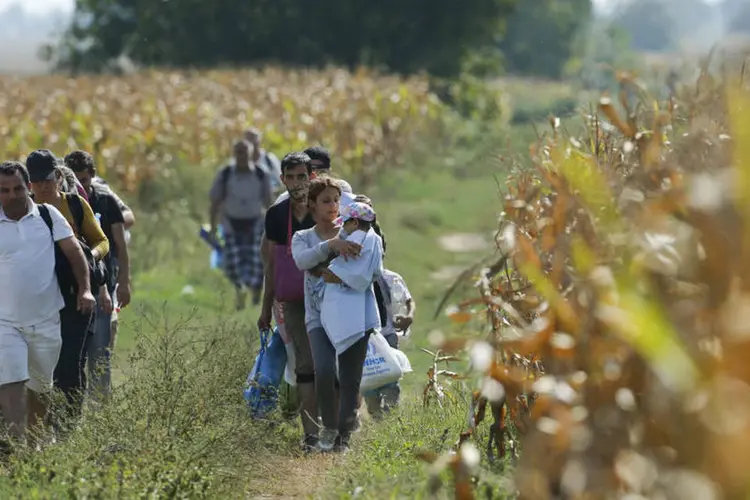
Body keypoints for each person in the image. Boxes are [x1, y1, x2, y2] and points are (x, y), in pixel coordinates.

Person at [0, 160, 95, 443]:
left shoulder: (48, 215)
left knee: (40, 389)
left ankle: (36, 443)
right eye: (4, 190)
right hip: (5, 323)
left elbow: (75, 253)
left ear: (28, 188)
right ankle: (18, 454)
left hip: (46, 319)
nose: (12, 195)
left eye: (18, 188)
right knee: (12, 383)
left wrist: (85, 289)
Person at [27, 149, 109, 419]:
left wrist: (90, 256)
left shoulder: (74, 204)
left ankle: (69, 425)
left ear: (58, 176)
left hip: (75, 294)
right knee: (39, 365)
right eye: (36, 181)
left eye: (48, 179)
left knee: (71, 364)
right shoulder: (23, 209)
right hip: (40, 297)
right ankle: (43, 422)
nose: (43, 186)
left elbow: (102, 241)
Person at [291, 178, 364, 452]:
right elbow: (302, 261)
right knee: (322, 369)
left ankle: (342, 438)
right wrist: (330, 246)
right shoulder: (303, 237)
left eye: (336, 200)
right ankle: (329, 427)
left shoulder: (352, 232)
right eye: (325, 201)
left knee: (346, 375)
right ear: (312, 205)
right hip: (317, 317)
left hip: (347, 316)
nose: (332, 206)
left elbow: (367, 265)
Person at [258, 151, 319, 451]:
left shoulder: (325, 206)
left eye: (302, 176)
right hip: (294, 298)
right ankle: (311, 435)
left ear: (312, 177)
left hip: (328, 296)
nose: (296, 183)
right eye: (290, 177)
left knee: (328, 362)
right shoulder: (277, 215)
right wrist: (266, 306)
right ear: (282, 179)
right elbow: (272, 265)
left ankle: (336, 428)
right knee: (305, 364)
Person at [316, 201, 384, 452]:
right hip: (361, 319)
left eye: (345, 222)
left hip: (351, 319)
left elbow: (352, 275)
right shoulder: (374, 241)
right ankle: (342, 438)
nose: (342, 228)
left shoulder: (361, 241)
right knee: (350, 380)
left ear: (355, 222)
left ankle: (341, 439)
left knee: (347, 380)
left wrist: (330, 272)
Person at [65, 150, 132, 396]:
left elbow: (119, 247)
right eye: (74, 180)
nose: (79, 186)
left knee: (99, 354)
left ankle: (100, 414)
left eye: (83, 180)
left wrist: (124, 282)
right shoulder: (63, 204)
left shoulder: (105, 201)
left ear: (92, 176)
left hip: (105, 285)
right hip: (73, 288)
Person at [209, 140, 273, 309]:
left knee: (257, 261)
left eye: (244, 152)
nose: (241, 156)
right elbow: (215, 202)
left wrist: (274, 226)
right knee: (232, 262)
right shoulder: (225, 174)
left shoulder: (261, 173)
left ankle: (255, 295)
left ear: (251, 153)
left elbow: (268, 202)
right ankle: (240, 292)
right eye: (238, 152)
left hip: (255, 223)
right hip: (231, 223)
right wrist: (213, 228)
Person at [364, 268, 415, 419]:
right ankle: (374, 413)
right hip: (368, 337)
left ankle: (391, 415)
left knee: (392, 377)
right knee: (370, 377)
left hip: (388, 334)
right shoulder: (359, 277)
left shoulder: (393, 278)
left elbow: (409, 300)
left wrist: (409, 316)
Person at [274, 146, 355, 208]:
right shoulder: (285, 199)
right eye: (311, 172)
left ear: (329, 171)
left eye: (322, 173)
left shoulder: (343, 194)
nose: (316, 178)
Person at [244, 128, 283, 193]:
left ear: (259, 140)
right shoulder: (239, 162)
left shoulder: (269, 158)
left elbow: (280, 181)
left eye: (252, 138)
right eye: (247, 139)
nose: (250, 141)